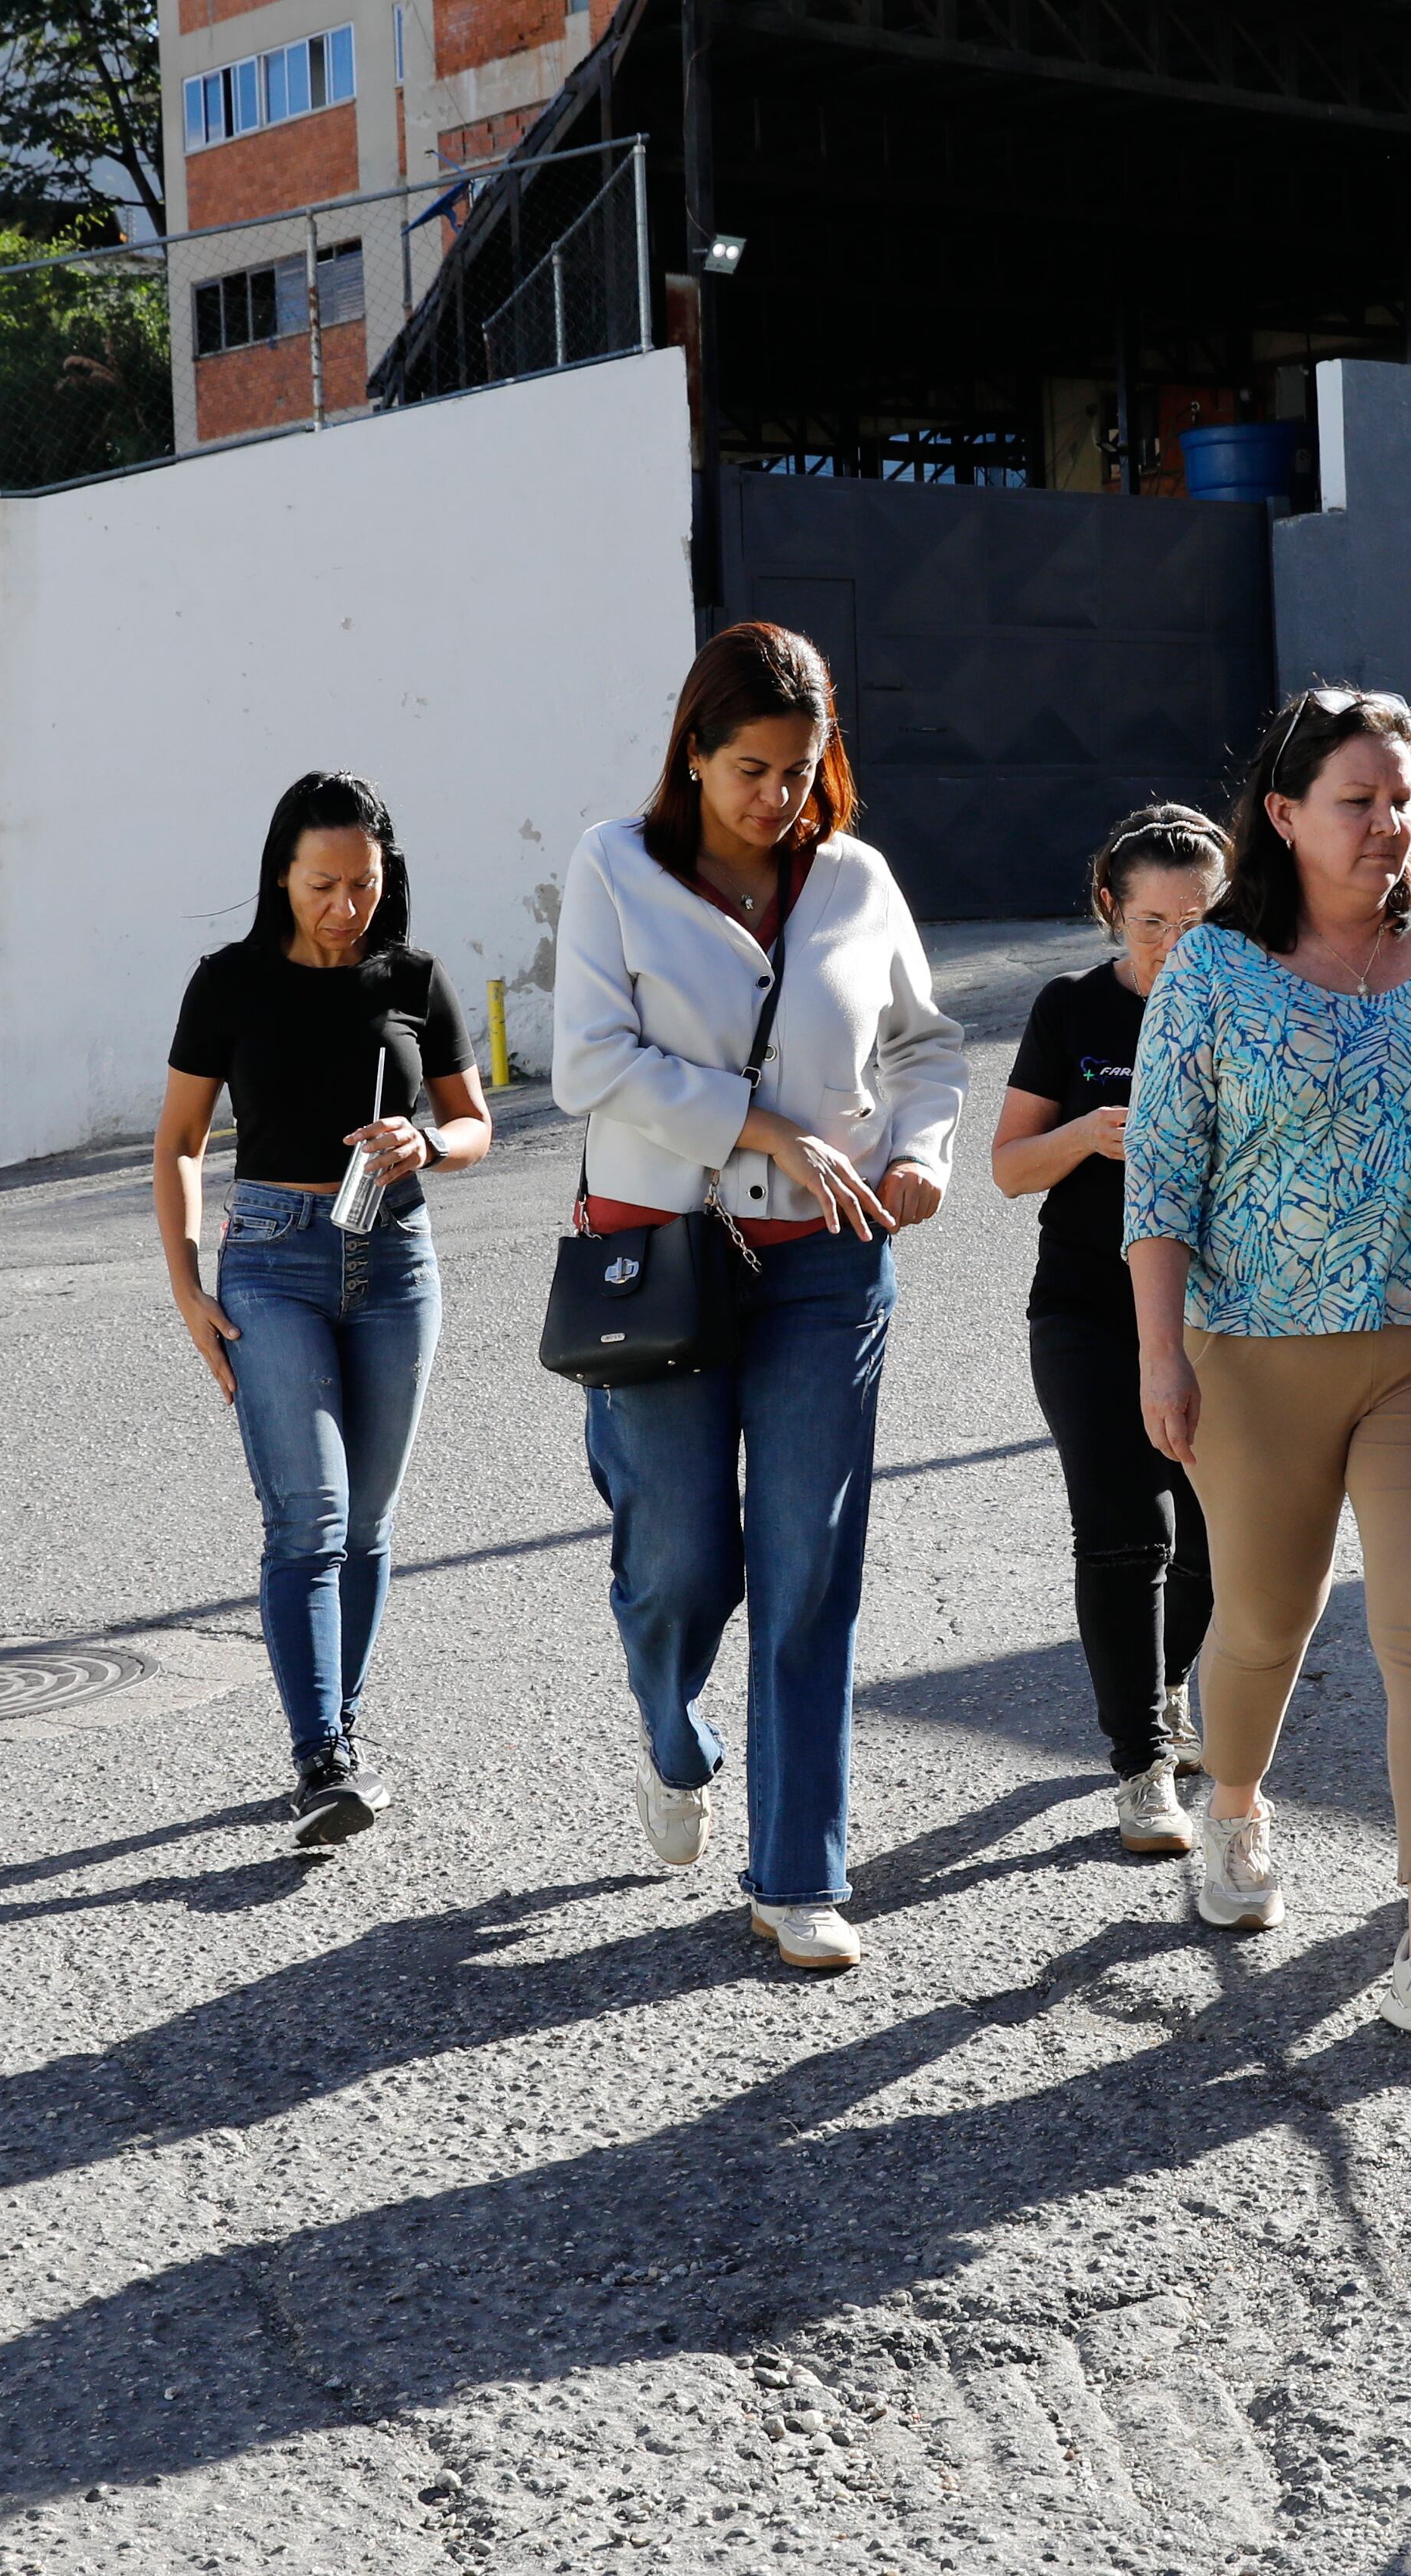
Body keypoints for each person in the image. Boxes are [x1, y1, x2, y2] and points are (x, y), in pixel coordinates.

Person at [1125, 686, 1411, 2054]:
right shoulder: (1211, 970)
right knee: (1266, 1618)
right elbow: (1160, 1181)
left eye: (1401, 797)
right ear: (1283, 816)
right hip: (1255, 1353)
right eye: (1357, 800)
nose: (1389, 823)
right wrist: (1161, 1354)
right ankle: (1240, 1807)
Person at [556, 621, 967, 1972]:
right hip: (664, 1253)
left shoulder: (856, 880)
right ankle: (671, 1730)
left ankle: (800, 1872)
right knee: (681, 1554)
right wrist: (760, 1126)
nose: (775, 795)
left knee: (809, 1561)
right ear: (695, 750)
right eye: (749, 766)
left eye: (798, 768)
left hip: (827, 1262)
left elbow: (924, 1044)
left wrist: (919, 1150)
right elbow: (587, 1063)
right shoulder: (617, 864)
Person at [155, 771, 495, 1848]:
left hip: (396, 1261)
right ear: (282, 874)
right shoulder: (229, 982)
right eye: (322, 883)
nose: (345, 905)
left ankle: (337, 1732)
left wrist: (427, 1142)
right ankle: (322, 1758)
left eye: (365, 883)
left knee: (371, 1520)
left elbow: (478, 1122)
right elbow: (178, 1142)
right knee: (312, 1513)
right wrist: (186, 1289)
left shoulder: (415, 979)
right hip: (271, 1262)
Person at [993, 805, 1229, 1857]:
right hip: (1086, 1309)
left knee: (1219, 1541)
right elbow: (1005, 1167)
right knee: (1131, 1529)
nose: (1175, 942)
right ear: (1109, 911)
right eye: (1151, 923)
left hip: (1224, 1314)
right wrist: (1087, 1134)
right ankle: (1140, 1767)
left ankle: (1172, 1689)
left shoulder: (1254, 1001)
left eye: (1199, 917)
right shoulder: (1072, 1010)